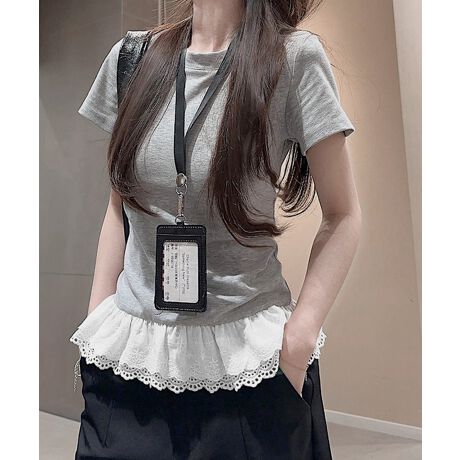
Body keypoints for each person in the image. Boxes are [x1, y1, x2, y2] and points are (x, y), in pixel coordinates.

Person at [69, 0, 361, 458]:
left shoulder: (293, 58)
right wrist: (98, 316)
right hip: (131, 363)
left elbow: (343, 215)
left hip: (249, 370)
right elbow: (119, 204)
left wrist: (298, 342)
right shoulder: (131, 58)